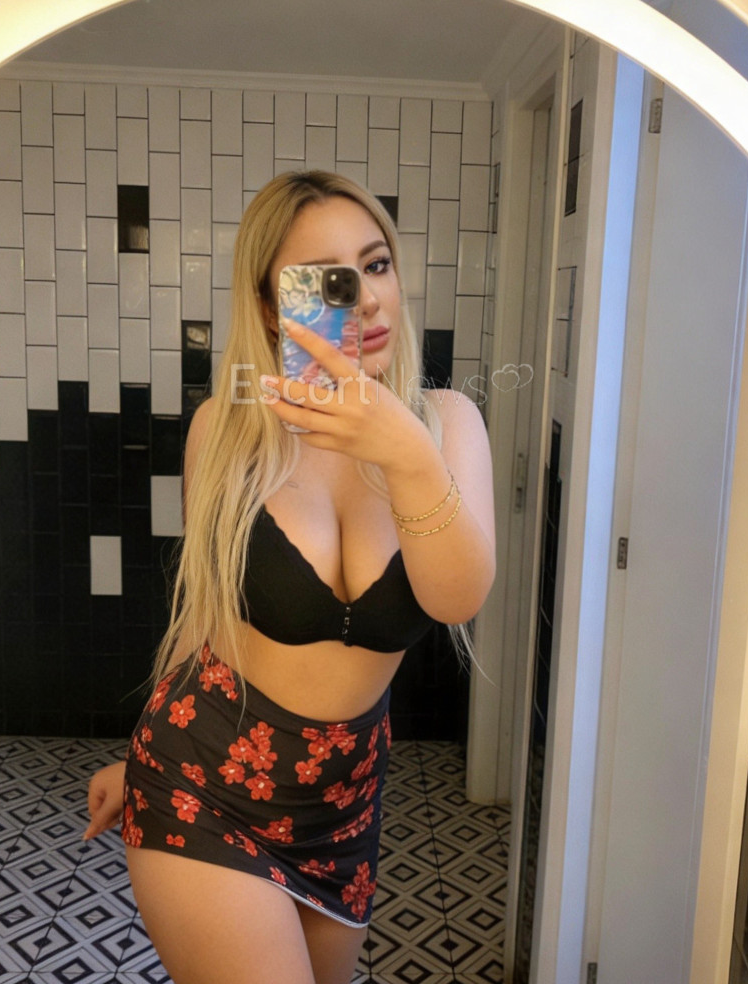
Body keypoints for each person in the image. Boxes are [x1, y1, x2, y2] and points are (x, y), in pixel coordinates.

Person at [82, 170, 495, 984]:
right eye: (328, 281)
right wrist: (139, 759)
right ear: (273, 307)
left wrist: (407, 454)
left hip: (343, 807)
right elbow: (207, 620)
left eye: (376, 265)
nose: (366, 299)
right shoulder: (225, 431)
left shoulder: (448, 425)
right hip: (203, 783)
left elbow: (457, 598)